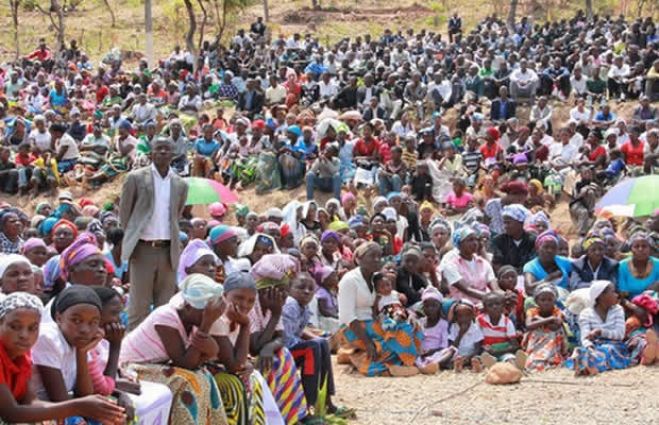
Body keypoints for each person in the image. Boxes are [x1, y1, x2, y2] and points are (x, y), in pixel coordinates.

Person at [0, 292, 126, 424]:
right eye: (14, 327)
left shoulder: (23, 357)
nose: (24, 335)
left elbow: (31, 402)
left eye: (32, 328)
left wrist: (88, 407)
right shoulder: (48, 340)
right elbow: (10, 413)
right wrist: (78, 407)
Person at [120, 273, 228, 424]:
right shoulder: (166, 317)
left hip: (157, 366)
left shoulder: (191, 322)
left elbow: (198, 361)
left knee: (205, 377)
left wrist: (210, 348)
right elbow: (185, 363)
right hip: (132, 368)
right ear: (189, 307)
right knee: (188, 381)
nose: (210, 317)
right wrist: (206, 326)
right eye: (206, 313)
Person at [119, 137, 189, 330]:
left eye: (167, 149)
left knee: (164, 307)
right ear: (151, 153)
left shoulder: (180, 184)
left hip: (168, 250)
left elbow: (176, 214)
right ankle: (129, 354)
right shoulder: (135, 178)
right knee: (138, 308)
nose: (163, 152)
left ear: (173, 154)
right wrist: (129, 242)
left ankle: (156, 352)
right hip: (143, 249)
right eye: (159, 149)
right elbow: (124, 214)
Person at [338, 242, 422, 376]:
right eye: (372, 256)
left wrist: (407, 313)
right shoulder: (349, 280)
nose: (377, 260)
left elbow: (391, 300)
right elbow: (347, 316)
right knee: (398, 333)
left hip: (374, 322)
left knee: (412, 326)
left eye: (379, 256)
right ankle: (397, 366)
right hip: (354, 327)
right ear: (358, 258)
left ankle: (403, 363)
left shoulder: (377, 278)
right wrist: (368, 342)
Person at [248, 254, 308, 424]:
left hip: (260, 352)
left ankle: (289, 415)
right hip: (246, 355)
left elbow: (281, 338)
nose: (284, 295)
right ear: (267, 289)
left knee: (283, 354)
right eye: (280, 290)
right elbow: (254, 347)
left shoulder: (274, 305)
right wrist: (275, 314)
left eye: (285, 290)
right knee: (270, 361)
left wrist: (270, 347)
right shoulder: (252, 304)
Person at [282, 273, 338, 412]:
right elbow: (286, 339)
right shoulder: (291, 304)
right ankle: (309, 404)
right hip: (280, 349)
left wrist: (317, 339)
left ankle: (326, 398)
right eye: (301, 287)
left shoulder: (303, 306)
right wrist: (312, 342)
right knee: (312, 348)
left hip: (291, 346)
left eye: (310, 289)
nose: (306, 291)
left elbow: (299, 330)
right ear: (290, 289)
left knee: (321, 343)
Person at [568, 280, 630, 376]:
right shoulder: (586, 313)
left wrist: (600, 332)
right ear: (601, 296)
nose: (616, 295)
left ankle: (588, 365)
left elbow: (620, 335)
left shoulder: (618, 310)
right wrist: (589, 346)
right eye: (612, 292)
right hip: (595, 345)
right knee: (585, 350)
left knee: (607, 349)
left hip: (614, 345)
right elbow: (585, 337)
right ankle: (587, 364)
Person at [442, 227, 497, 304]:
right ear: (460, 244)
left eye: (476, 239)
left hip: (485, 303)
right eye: (470, 240)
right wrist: (492, 298)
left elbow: (494, 286)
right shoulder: (450, 265)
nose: (475, 243)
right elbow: (467, 290)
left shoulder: (484, 263)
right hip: (462, 306)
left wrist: (503, 296)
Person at [523, 283, 568, 371]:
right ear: (536, 301)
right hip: (536, 342)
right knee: (534, 331)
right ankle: (535, 357)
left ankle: (549, 358)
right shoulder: (532, 311)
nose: (546, 303)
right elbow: (528, 325)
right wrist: (550, 319)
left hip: (552, 342)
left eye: (549, 300)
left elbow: (555, 326)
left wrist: (538, 320)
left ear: (554, 301)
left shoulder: (557, 311)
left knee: (553, 332)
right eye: (543, 300)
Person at [477, 291, 526, 370]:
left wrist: (497, 350)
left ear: (503, 306)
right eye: (490, 305)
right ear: (485, 308)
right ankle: (492, 365)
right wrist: (483, 349)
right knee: (483, 358)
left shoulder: (507, 322)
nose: (494, 307)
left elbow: (515, 345)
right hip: (487, 351)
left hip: (504, 350)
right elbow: (478, 341)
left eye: (497, 304)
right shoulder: (480, 320)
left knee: (510, 358)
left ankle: (517, 367)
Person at [617, 232, 659, 298]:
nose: (640, 249)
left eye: (644, 246)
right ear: (631, 249)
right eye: (636, 246)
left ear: (650, 249)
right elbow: (622, 297)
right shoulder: (622, 266)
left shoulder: (657, 264)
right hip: (630, 305)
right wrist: (635, 308)